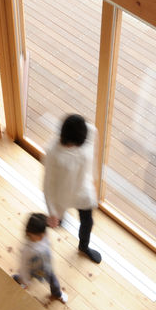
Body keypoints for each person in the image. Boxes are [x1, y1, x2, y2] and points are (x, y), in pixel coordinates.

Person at [43, 113, 101, 264]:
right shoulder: (53, 153)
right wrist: (52, 211)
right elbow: (47, 184)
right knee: (57, 222)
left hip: (83, 192)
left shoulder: (90, 133)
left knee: (88, 222)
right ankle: (39, 227)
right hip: (62, 195)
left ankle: (84, 246)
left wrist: (94, 179)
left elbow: (92, 155)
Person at [13, 212, 68, 303]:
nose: (43, 236)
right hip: (33, 268)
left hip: (47, 267)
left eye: (44, 233)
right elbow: (24, 266)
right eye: (39, 235)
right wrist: (26, 281)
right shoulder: (27, 250)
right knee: (25, 276)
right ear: (29, 233)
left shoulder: (44, 236)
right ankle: (19, 280)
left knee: (54, 282)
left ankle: (57, 293)